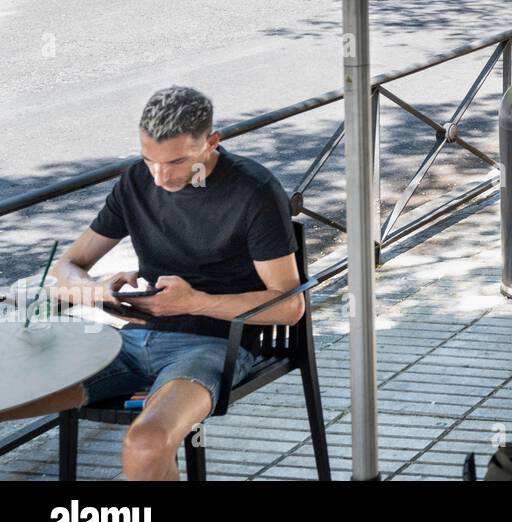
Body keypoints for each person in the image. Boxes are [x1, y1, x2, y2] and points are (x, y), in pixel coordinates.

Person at [0, 87, 304, 480]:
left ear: (211, 142)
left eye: (176, 162)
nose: (160, 177)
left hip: (213, 346)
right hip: (127, 341)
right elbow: (66, 268)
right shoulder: (136, 181)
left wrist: (195, 302)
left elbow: (289, 306)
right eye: (149, 160)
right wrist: (98, 290)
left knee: (146, 443)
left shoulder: (253, 191)